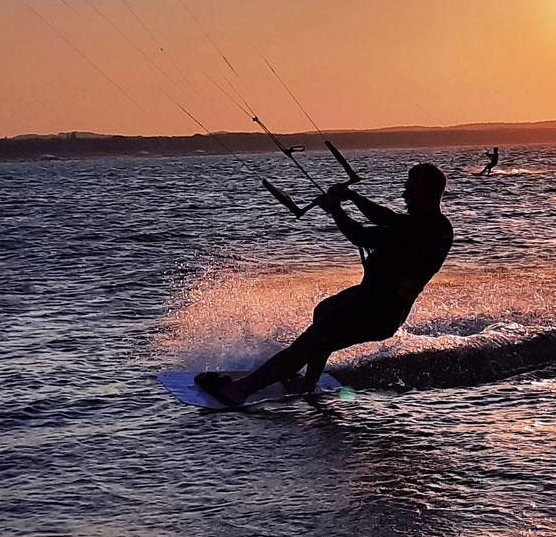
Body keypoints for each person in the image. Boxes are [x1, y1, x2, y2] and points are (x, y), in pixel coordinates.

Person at [194, 163, 453, 406]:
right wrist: (352, 197)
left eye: (410, 190)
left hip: (377, 310)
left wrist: (335, 210)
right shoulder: (431, 223)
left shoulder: (423, 228)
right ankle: (308, 384)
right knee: (324, 310)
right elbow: (387, 218)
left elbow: (362, 236)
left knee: (310, 343)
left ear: (427, 193)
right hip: (375, 301)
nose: (404, 194)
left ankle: (237, 391)